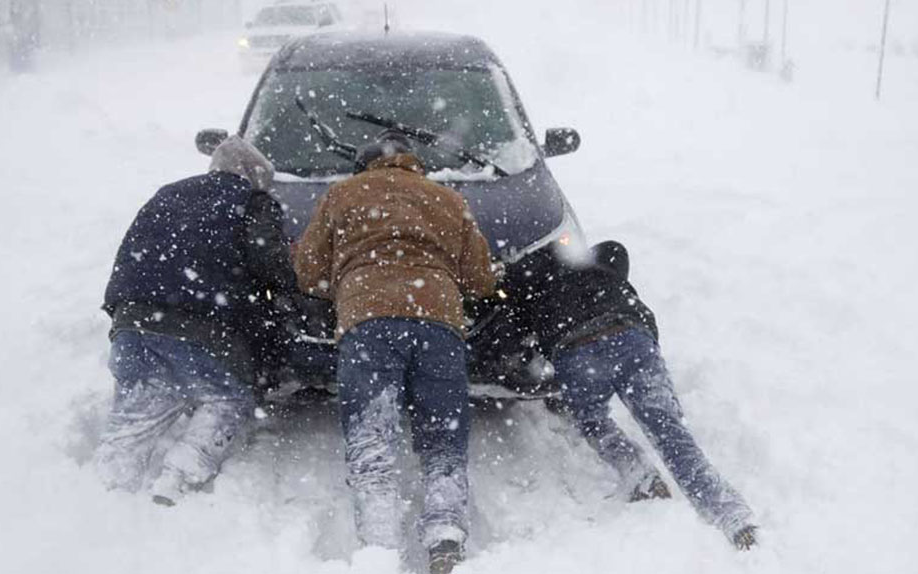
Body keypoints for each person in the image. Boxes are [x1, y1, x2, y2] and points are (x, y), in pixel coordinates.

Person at [292, 130, 497, 573]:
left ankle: (380, 549)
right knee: (444, 437)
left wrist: (346, 282)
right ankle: (445, 538)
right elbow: (480, 279)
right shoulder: (447, 199)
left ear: (366, 165)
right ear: (413, 163)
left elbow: (308, 272)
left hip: (368, 322)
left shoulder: (342, 194)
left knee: (372, 441)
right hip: (439, 320)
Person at [496, 241, 758, 550]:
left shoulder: (520, 281)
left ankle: (641, 475)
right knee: (669, 433)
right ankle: (733, 517)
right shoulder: (592, 257)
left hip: (576, 350)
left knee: (592, 421)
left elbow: (508, 337)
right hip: (630, 335)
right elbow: (616, 251)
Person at [93, 136, 294, 506]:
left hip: (132, 322)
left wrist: (125, 316)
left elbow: (129, 256)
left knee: (141, 409)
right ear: (254, 176)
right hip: (201, 326)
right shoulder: (252, 201)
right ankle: (177, 479)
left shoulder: (167, 194)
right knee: (226, 398)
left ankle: (106, 494)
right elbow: (271, 262)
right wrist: (289, 288)